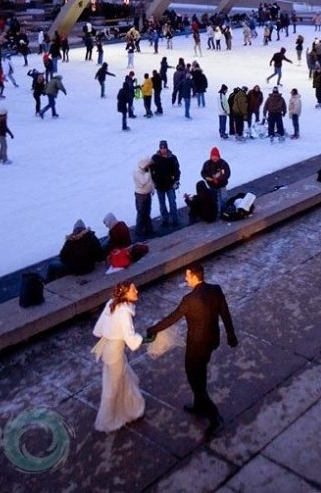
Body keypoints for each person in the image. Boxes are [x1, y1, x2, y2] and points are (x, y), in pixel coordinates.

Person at [146, 262, 238, 438]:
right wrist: (231, 335)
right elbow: (225, 314)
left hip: (196, 346)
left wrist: (153, 329)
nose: (185, 278)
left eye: (187, 275)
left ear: (195, 276)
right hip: (212, 341)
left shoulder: (189, 300)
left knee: (194, 379)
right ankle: (198, 405)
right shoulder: (216, 289)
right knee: (200, 372)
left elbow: (172, 318)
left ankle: (213, 415)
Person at [92, 281, 145, 433]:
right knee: (112, 387)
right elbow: (129, 336)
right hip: (115, 353)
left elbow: (101, 326)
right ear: (125, 293)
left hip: (109, 350)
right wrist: (142, 339)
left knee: (125, 379)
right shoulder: (125, 312)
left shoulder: (112, 303)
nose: (136, 291)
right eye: (133, 290)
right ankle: (108, 420)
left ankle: (133, 408)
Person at [150, 140, 180, 228]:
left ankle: (175, 220)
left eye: (164, 148)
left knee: (172, 203)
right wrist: (153, 181)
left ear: (167, 148)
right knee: (162, 204)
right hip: (159, 186)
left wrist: (176, 181)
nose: (163, 150)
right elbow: (151, 171)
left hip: (170, 185)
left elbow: (177, 170)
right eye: (161, 148)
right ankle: (165, 220)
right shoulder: (155, 158)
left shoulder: (173, 158)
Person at [133, 157, 155, 238]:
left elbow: (150, 181)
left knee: (147, 213)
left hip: (147, 194)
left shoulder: (146, 170)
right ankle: (139, 231)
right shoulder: (137, 172)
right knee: (141, 214)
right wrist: (148, 173)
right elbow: (142, 182)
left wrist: (152, 190)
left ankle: (149, 230)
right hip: (140, 195)